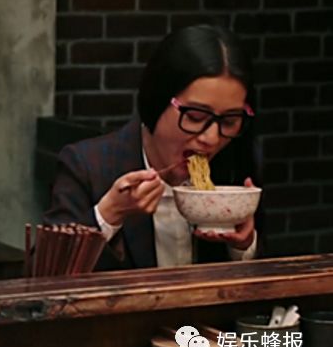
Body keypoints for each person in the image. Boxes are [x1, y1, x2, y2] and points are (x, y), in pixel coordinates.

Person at [44, 24, 260, 270]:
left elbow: (265, 273)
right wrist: (110, 213)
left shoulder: (235, 166)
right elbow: (48, 275)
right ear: (156, 102)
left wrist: (244, 246)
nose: (211, 138)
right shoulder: (87, 166)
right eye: (196, 117)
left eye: (229, 121)